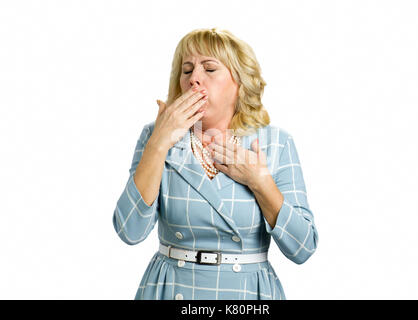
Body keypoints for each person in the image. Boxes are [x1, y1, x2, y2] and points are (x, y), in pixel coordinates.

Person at [112, 28, 319, 300]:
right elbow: (129, 231)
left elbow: (302, 248)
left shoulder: (276, 143)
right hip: (170, 289)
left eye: (209, 69)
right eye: (186, 71)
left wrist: (261, 183)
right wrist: (158, 144)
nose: (194, 79)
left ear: (240, 83)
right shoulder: (155, 136)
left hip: (247, 295)